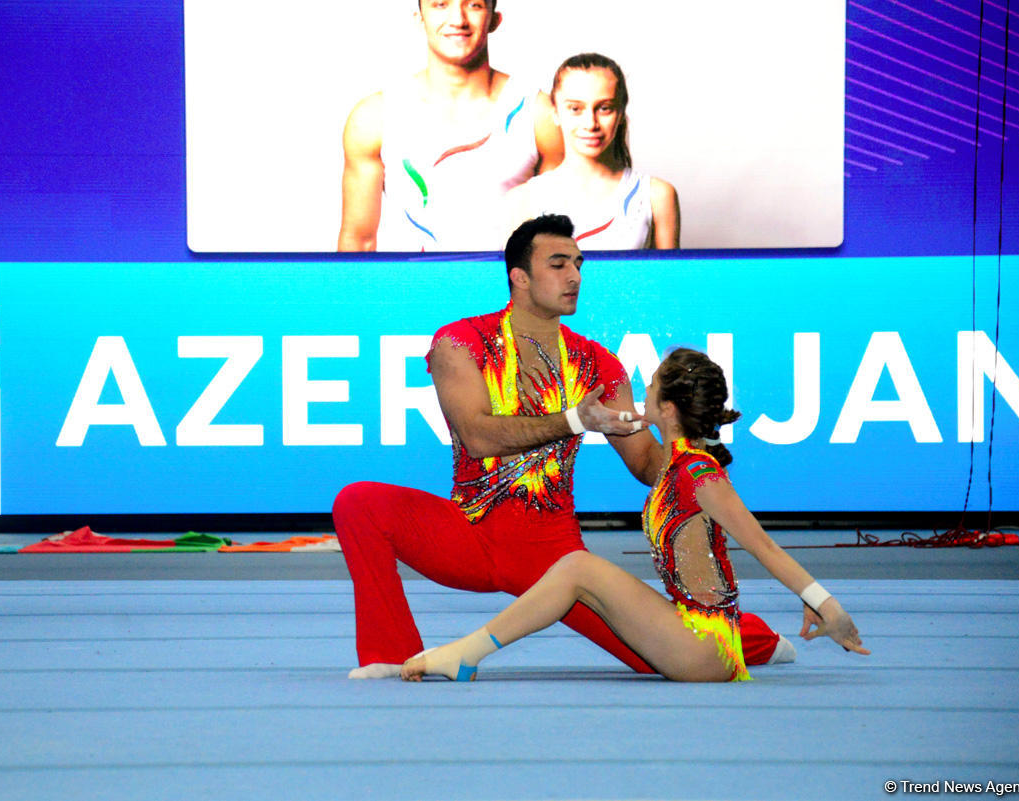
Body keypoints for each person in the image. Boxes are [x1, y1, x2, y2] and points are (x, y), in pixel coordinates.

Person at [333, 214, 791, 680]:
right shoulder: (461, 342)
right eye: (558, 264)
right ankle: (389, 653)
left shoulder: (598, 364)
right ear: (520, 277)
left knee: (654, 656)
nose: (574, 276)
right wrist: (575, 419)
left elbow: (645, 462)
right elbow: (477, 435)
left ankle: (756, 638)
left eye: (578, 263)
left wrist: (693, 451)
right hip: (469, 533)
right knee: (358, 503)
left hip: (553, 556)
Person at [402, 348, 870, 682]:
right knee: (577, 571)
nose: (640, 393)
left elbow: (763, 546)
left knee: (577, 567)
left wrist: (826, 603)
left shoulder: (700, 475)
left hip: (707, 646)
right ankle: (466, 653)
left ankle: (465, 654)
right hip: (689, 627)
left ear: (666, 409)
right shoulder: (675, 464)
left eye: (649, 387)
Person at [337, 0, 564, 252]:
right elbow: (358, 241)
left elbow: (565, 238)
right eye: (440, 4)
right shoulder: (375, 117)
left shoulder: (538, 114)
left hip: (509, 289)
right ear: (419, 18)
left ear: (494, 20)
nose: (458, 19)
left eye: (474, 5)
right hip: (415, 288)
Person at [505, 53, 679, 249]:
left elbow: (669, 278)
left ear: (621, 113)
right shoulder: (523, 200)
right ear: (555, 113)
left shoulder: (656, 196)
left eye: (604, 108)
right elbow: (516, 278)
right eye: (575, 108)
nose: (590, 123)